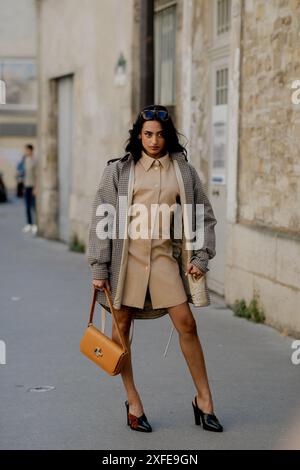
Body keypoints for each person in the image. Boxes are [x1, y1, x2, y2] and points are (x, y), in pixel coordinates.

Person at [87, 104, 223, 433]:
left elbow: (203, 214)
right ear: (138, 136)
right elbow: (102, 217)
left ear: (168, 137)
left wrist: (200, 256)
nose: (154, 140)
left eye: (160, 135)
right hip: (125, 261)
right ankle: (133, 401)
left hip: (163, 259)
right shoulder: (119, 171)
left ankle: (204, 399)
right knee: (121, 333)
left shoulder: (184, 172)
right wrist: (99, 266)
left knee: (187, 324)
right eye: (147, 134)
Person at [22, 144, 37, 235]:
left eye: (27, 150)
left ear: (31, 150)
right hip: (27, 186)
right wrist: (24, 187)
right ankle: (29, 224)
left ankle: (35, 224)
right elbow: (25, 175)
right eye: (25, 150)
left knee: (33, 206)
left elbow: (36, 175)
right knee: (27, 206)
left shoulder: (34, 161)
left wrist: (36, 188)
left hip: (32, 186)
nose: (26, 152)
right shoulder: (26, 160)